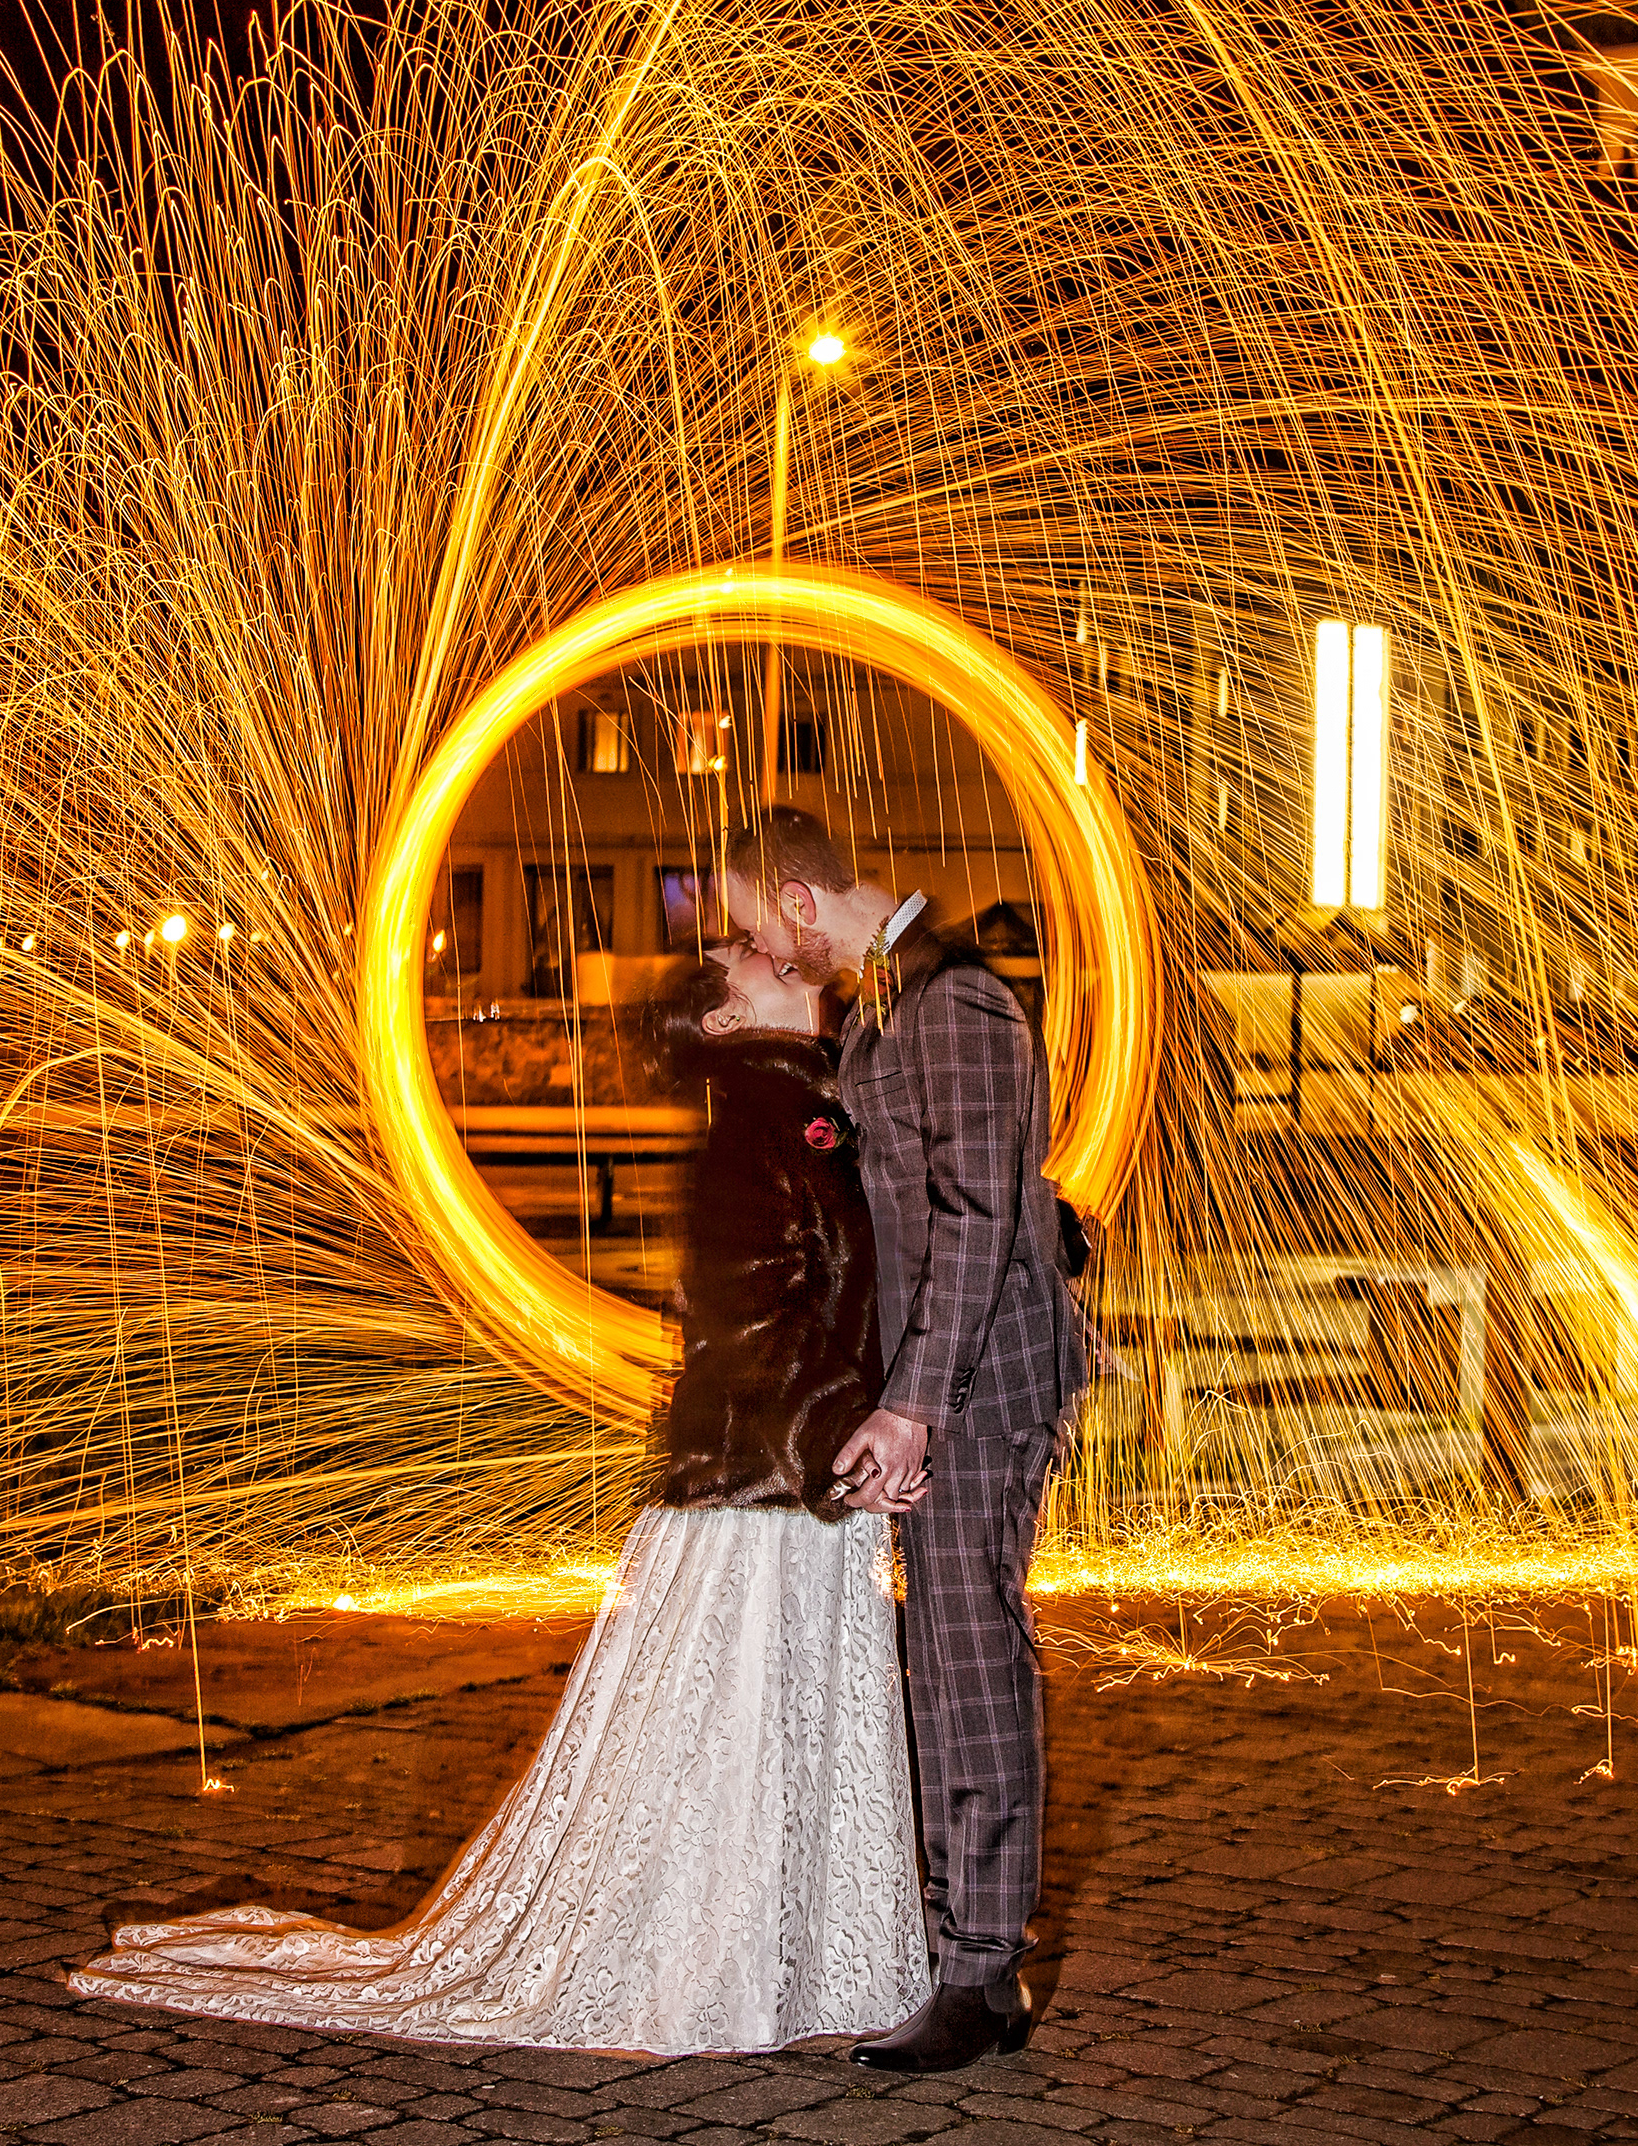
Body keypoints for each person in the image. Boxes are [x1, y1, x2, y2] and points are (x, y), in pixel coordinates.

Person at [66, 945, 926, 2054]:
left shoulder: (809, 1099)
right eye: (738, 957)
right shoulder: (751, 1117)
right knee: (729, 1729)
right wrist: (840, 1441)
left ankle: (789, 1957)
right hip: (756, 1489)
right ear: (719, 1024)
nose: (759, 945)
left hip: (803, 1485)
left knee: (780, 1727)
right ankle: (710, 1960)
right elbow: (747, 1318)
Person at [716, 806, 1086, 2075]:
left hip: (985, 1378)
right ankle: (963, 1952)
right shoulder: (888, 1004)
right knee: (944, 1644)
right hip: (940, 1372)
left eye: (759, 927)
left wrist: (916, 1400)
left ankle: (982, 1978)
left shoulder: (961, 1002)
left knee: (968, 1649)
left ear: (803, 905)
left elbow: (978, 1217)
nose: (761, 948)